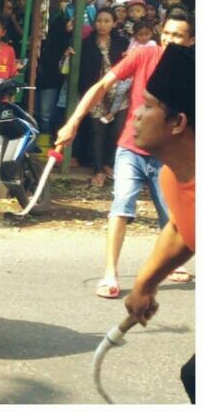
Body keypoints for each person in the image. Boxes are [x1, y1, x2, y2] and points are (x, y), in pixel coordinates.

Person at [55, 13, 194, 300]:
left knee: (173, 217)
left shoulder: (192, 72)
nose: (169, 40)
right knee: (121, 205)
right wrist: (73, 121)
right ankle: (110, 273)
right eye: (166, 33)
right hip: (132, 146)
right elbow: (102, 85)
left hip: (168, 156)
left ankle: (168, 267)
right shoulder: (144, 54)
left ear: (191, 41)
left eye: (178, 36)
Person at [121, 43, 195, 402]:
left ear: (178, 123)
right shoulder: (173, 177)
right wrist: (145, 284)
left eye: (149, 106)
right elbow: (182, 228)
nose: (136, 113)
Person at [78, 8, 130, 186]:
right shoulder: (86, 43)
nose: (102, 24)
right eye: (99, 21)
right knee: (97, 131)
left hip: (119, 93)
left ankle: (109, 163)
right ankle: (98, 170)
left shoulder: (122, 43)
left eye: (107, 21)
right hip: (96, 92)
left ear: (114, 23)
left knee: (116, 131)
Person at [35, 11, 73, 134]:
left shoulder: (67, 42)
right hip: (49, 82)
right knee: (45, 113)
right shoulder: (52, 43)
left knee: (45, 113)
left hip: (51, 82)